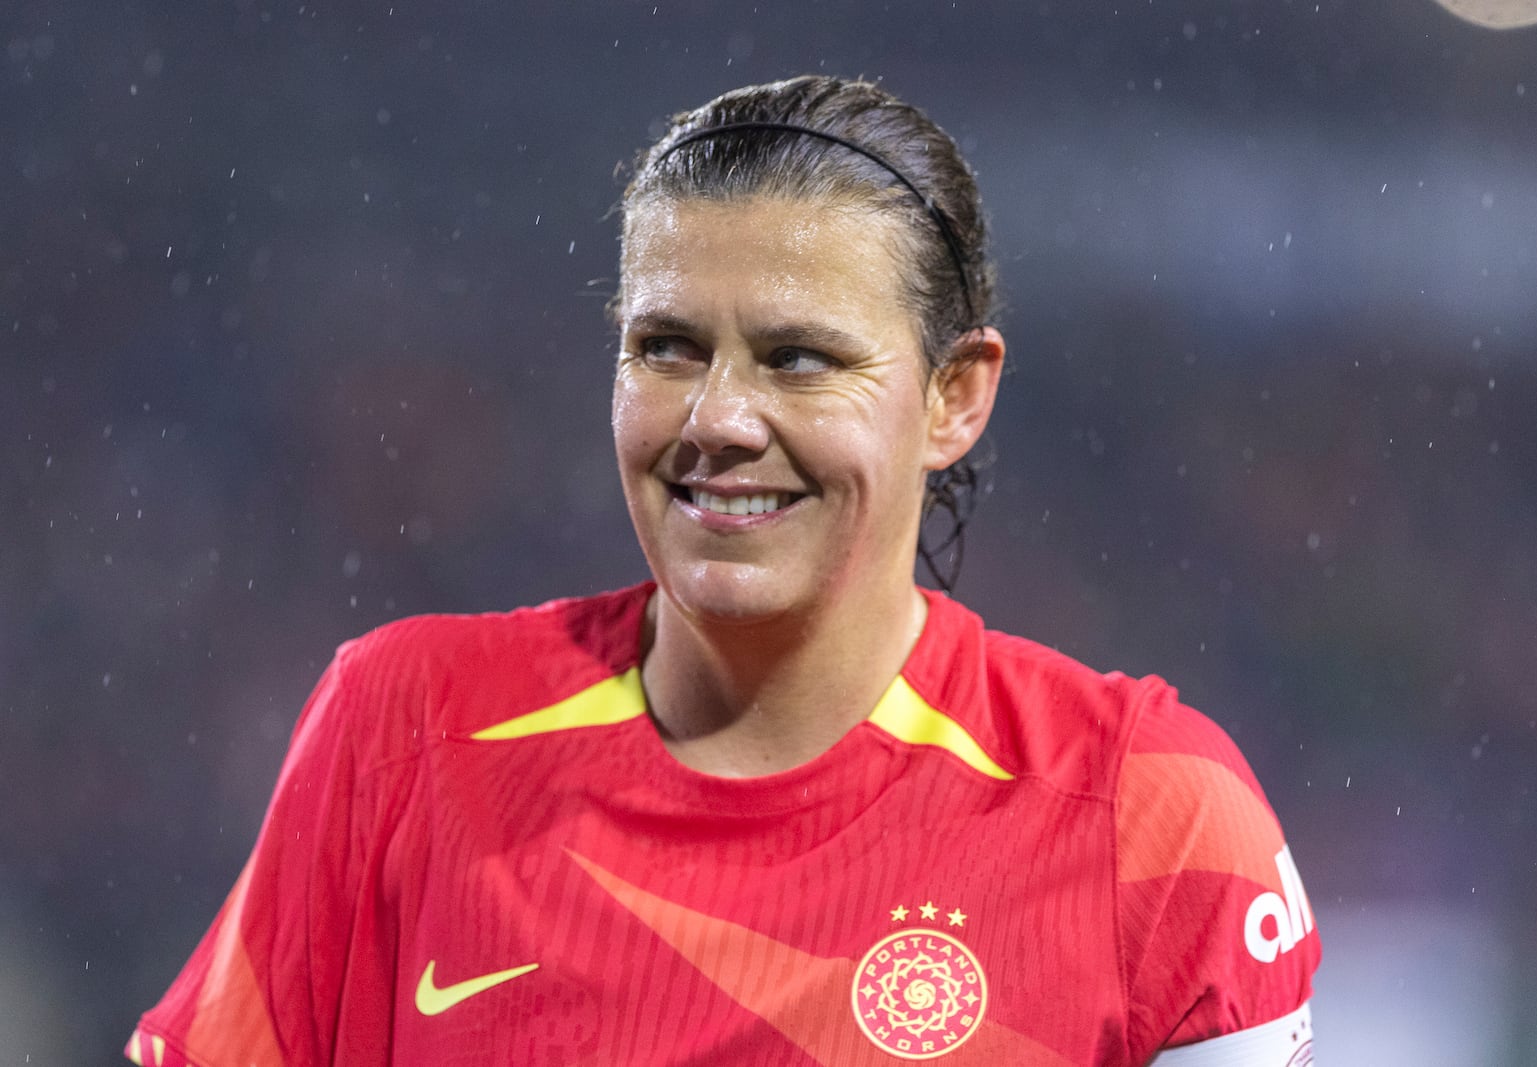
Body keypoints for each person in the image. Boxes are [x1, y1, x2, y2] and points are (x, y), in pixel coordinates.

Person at [127, 75, 1319, 1066]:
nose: (717, 417)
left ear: (956, 396)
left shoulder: (1150, 818)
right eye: (665, 347)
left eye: (798, 358)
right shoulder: (404, 728)